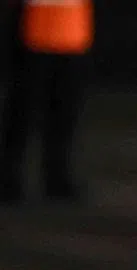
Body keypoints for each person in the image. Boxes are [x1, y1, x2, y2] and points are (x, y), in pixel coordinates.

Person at [0, 0, 94, 202]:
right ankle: (11, 178)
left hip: (71, 33)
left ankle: (57, 177)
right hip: (35, 27)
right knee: (23, 111)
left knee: (63, 112)